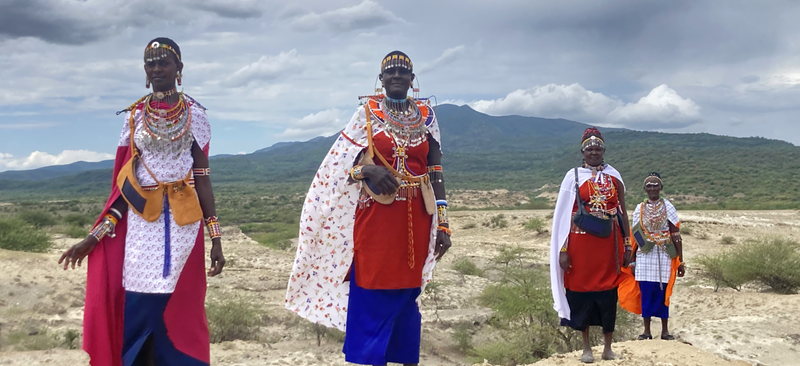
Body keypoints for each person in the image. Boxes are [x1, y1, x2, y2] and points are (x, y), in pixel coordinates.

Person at [58, 37, 224, 366]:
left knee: (182, 308)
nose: (157, 68)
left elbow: (202, 177)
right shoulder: (134, 116)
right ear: (145, 72)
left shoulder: (196, 116)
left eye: (164, 62)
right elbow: (123, 189)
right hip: (140, 226)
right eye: (151, 63)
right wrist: (93, 238)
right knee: (138, 304)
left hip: (184, 227)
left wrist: (216, 237)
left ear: (179, 69)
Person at [285, 51, 452, 366]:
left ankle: (403, 356)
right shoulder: (367, 113)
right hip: (376, 217)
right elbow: (340, 168)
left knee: (408, 290)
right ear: (382, 80)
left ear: (412, 80)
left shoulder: (427, 116)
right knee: (373, 284)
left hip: (417, 218)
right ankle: (368, 359)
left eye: (404, 71)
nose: (397, 76)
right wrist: (368, 171)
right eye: (391, 72)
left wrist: (443, 224)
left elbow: (436, 171)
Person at [549, 127, 632, 363]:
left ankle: (607, 347)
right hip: (580, 246)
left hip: (609, 246)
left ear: (604, 150)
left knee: (608, 293)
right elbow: (563, 216)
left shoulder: (615, 176)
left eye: (598, 148)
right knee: (580, 294)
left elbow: (623, 212)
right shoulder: (572, 176)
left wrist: (627, 245)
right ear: (582, 151)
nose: (594, 152)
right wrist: (563, 250)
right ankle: (586, 348)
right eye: (589, 148)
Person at [619, 173, 685, 340]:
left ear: (661, 188)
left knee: (662, 291)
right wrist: (632, 260)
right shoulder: (639, 208)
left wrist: (680, 262)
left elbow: (675, 234)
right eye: (649, 185)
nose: (652, 188)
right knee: (646, 290)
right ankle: (646, 331)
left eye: (655, 185)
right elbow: (635, 235)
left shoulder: (668, 206)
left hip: (664, 253)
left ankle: (664, 331)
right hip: (644, 254)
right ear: (644, 189)